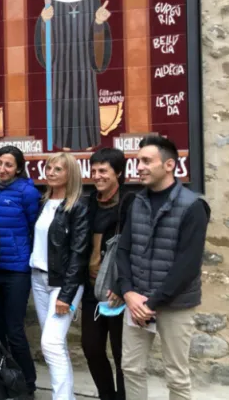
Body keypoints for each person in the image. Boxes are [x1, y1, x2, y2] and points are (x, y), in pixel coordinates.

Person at [117, 135, 209, 400]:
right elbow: (123, 250)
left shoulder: (193, 206)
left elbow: (187, 265)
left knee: (177, 376)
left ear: (169, 165)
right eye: (138, 161)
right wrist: (128, 292)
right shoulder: (135, 201)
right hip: (136, 300)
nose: (140, 167)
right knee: (131, 368)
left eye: (147, 161)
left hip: (175, 303)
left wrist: (152, 303)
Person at [0, 146, 40, 395]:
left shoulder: (28, 193)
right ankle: (2, 379)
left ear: (18, 168)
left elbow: (35, 227)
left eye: (9, 165)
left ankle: (28, 383)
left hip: (17, 270)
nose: (2, 169)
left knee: (15, 330)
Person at [34, 0, 112, 151]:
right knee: (62, 98)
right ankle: (63, 140)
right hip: (61, 60)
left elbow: (98, 31)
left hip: (84, 60)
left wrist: (98, 22)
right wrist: (45, 20)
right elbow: (45, 34)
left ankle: (88, 140)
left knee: (85, 96)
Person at [30, 152, 89, 399]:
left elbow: (79, 252)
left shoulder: (78, 206)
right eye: (49, 168)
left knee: (51, 344)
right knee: (57, 345)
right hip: (39, 279)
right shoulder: (44, 203)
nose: (51, 173)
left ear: (70, 174)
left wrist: (67, 293)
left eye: (58, 169)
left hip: (63, 283)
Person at [80, 148, 132, 400]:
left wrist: (124, 287)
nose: (97, 176)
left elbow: (136, 248)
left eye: (103, 171)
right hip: (92, 289)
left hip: (118, 290)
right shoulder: (88, 202)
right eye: (94, 170)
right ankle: (107, 396)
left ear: (118, 173)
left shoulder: (130, 203)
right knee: (91, 348)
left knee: (122, 353)